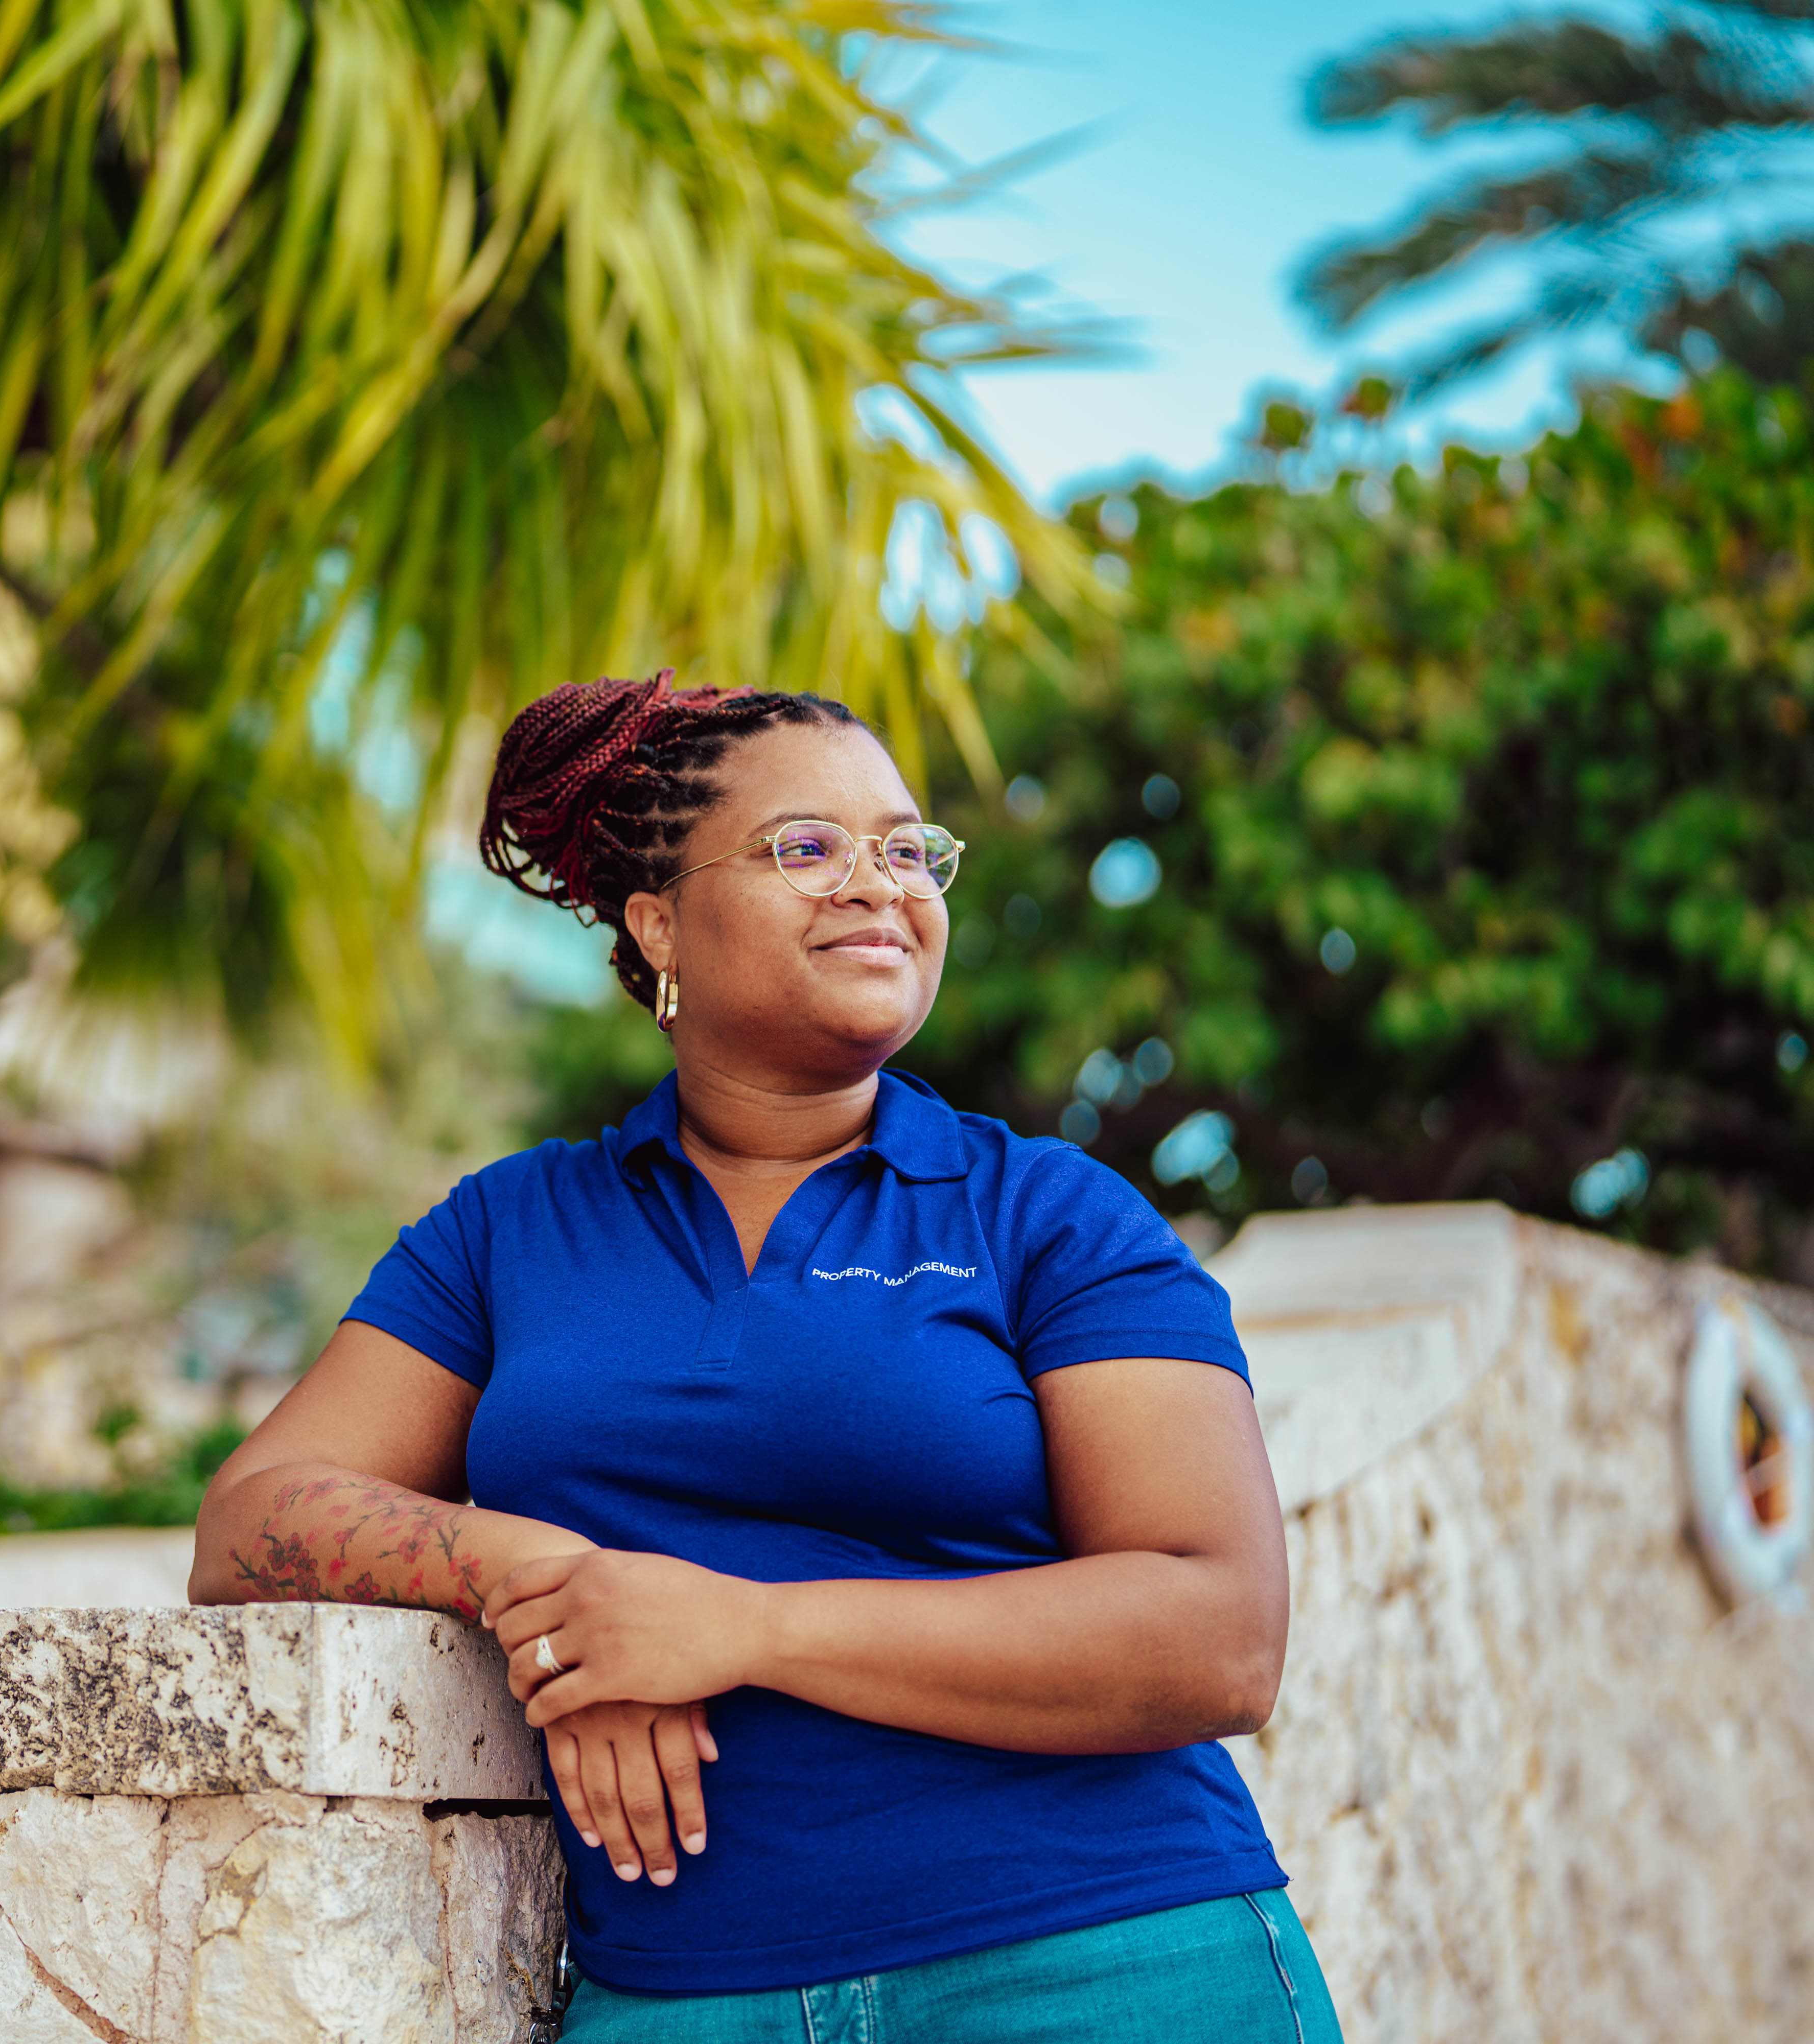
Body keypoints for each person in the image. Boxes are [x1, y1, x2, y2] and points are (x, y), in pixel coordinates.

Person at [190, 675, 1342, 2041]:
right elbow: (248, 1524)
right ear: (658, 919)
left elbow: (1220, 1641)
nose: (880, 884)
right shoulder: (509, 1228)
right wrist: (551, 1589)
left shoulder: (1047, 1214)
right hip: (683, 2002)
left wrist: (736, 1627)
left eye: (910, 850)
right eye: (809, 847)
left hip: (1106, 1964)